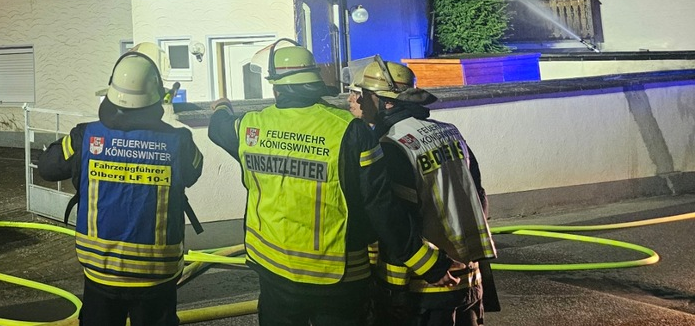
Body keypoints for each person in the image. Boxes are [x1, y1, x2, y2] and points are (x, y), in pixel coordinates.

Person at [207, 40, 459, 326]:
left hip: (273, 270)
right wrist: (427, 262)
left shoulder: (250, 126)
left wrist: (222, 107)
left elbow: (218, 129)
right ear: (315, 81)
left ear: (275, 87)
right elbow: (380, 204)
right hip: (338, 278)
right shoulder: (351, 130)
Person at [37, 51, 205, 326]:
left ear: (111, 96)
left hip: (101, 272)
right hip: (157, 275)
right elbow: (193, 173)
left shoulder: (85, 136)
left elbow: (47, 167)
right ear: (155, 100)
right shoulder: (179, 141)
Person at [352, 57, 497, 326]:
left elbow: (396, 217)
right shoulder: (450, 133)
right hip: (467, 280)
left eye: (365, 95)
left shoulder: (392, 145)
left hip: (423, 288)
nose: (358, 101)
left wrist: (422, 271)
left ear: (388, 102)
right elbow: (478, 197)